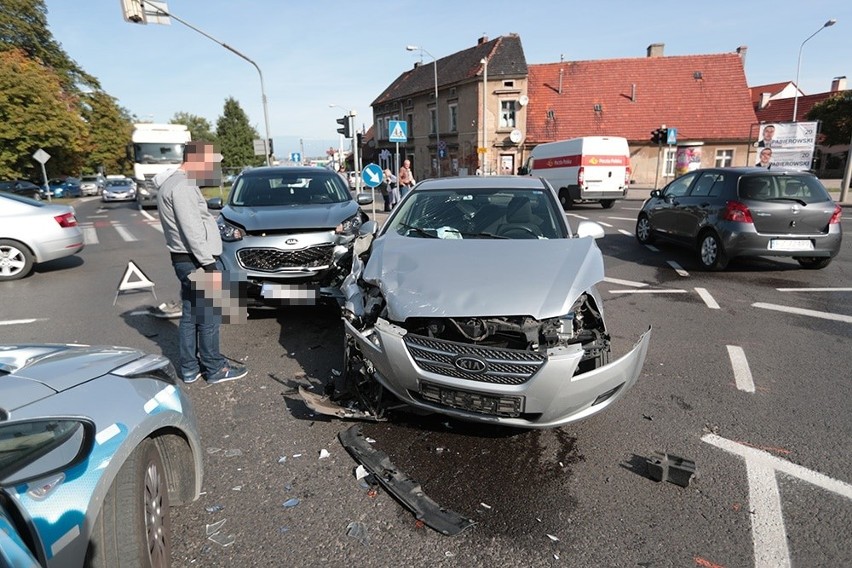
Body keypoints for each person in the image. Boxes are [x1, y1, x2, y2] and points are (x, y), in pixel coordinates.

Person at [157, 140, 247, 385]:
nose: (212, 168)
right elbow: (192, 229)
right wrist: (208, 264)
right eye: (210, 163)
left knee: (190, 316)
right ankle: (215, 368)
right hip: (197, 259)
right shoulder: (184, 186)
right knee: (210, 317)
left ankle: (189, 368)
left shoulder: (171, 183)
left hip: (184, 259)